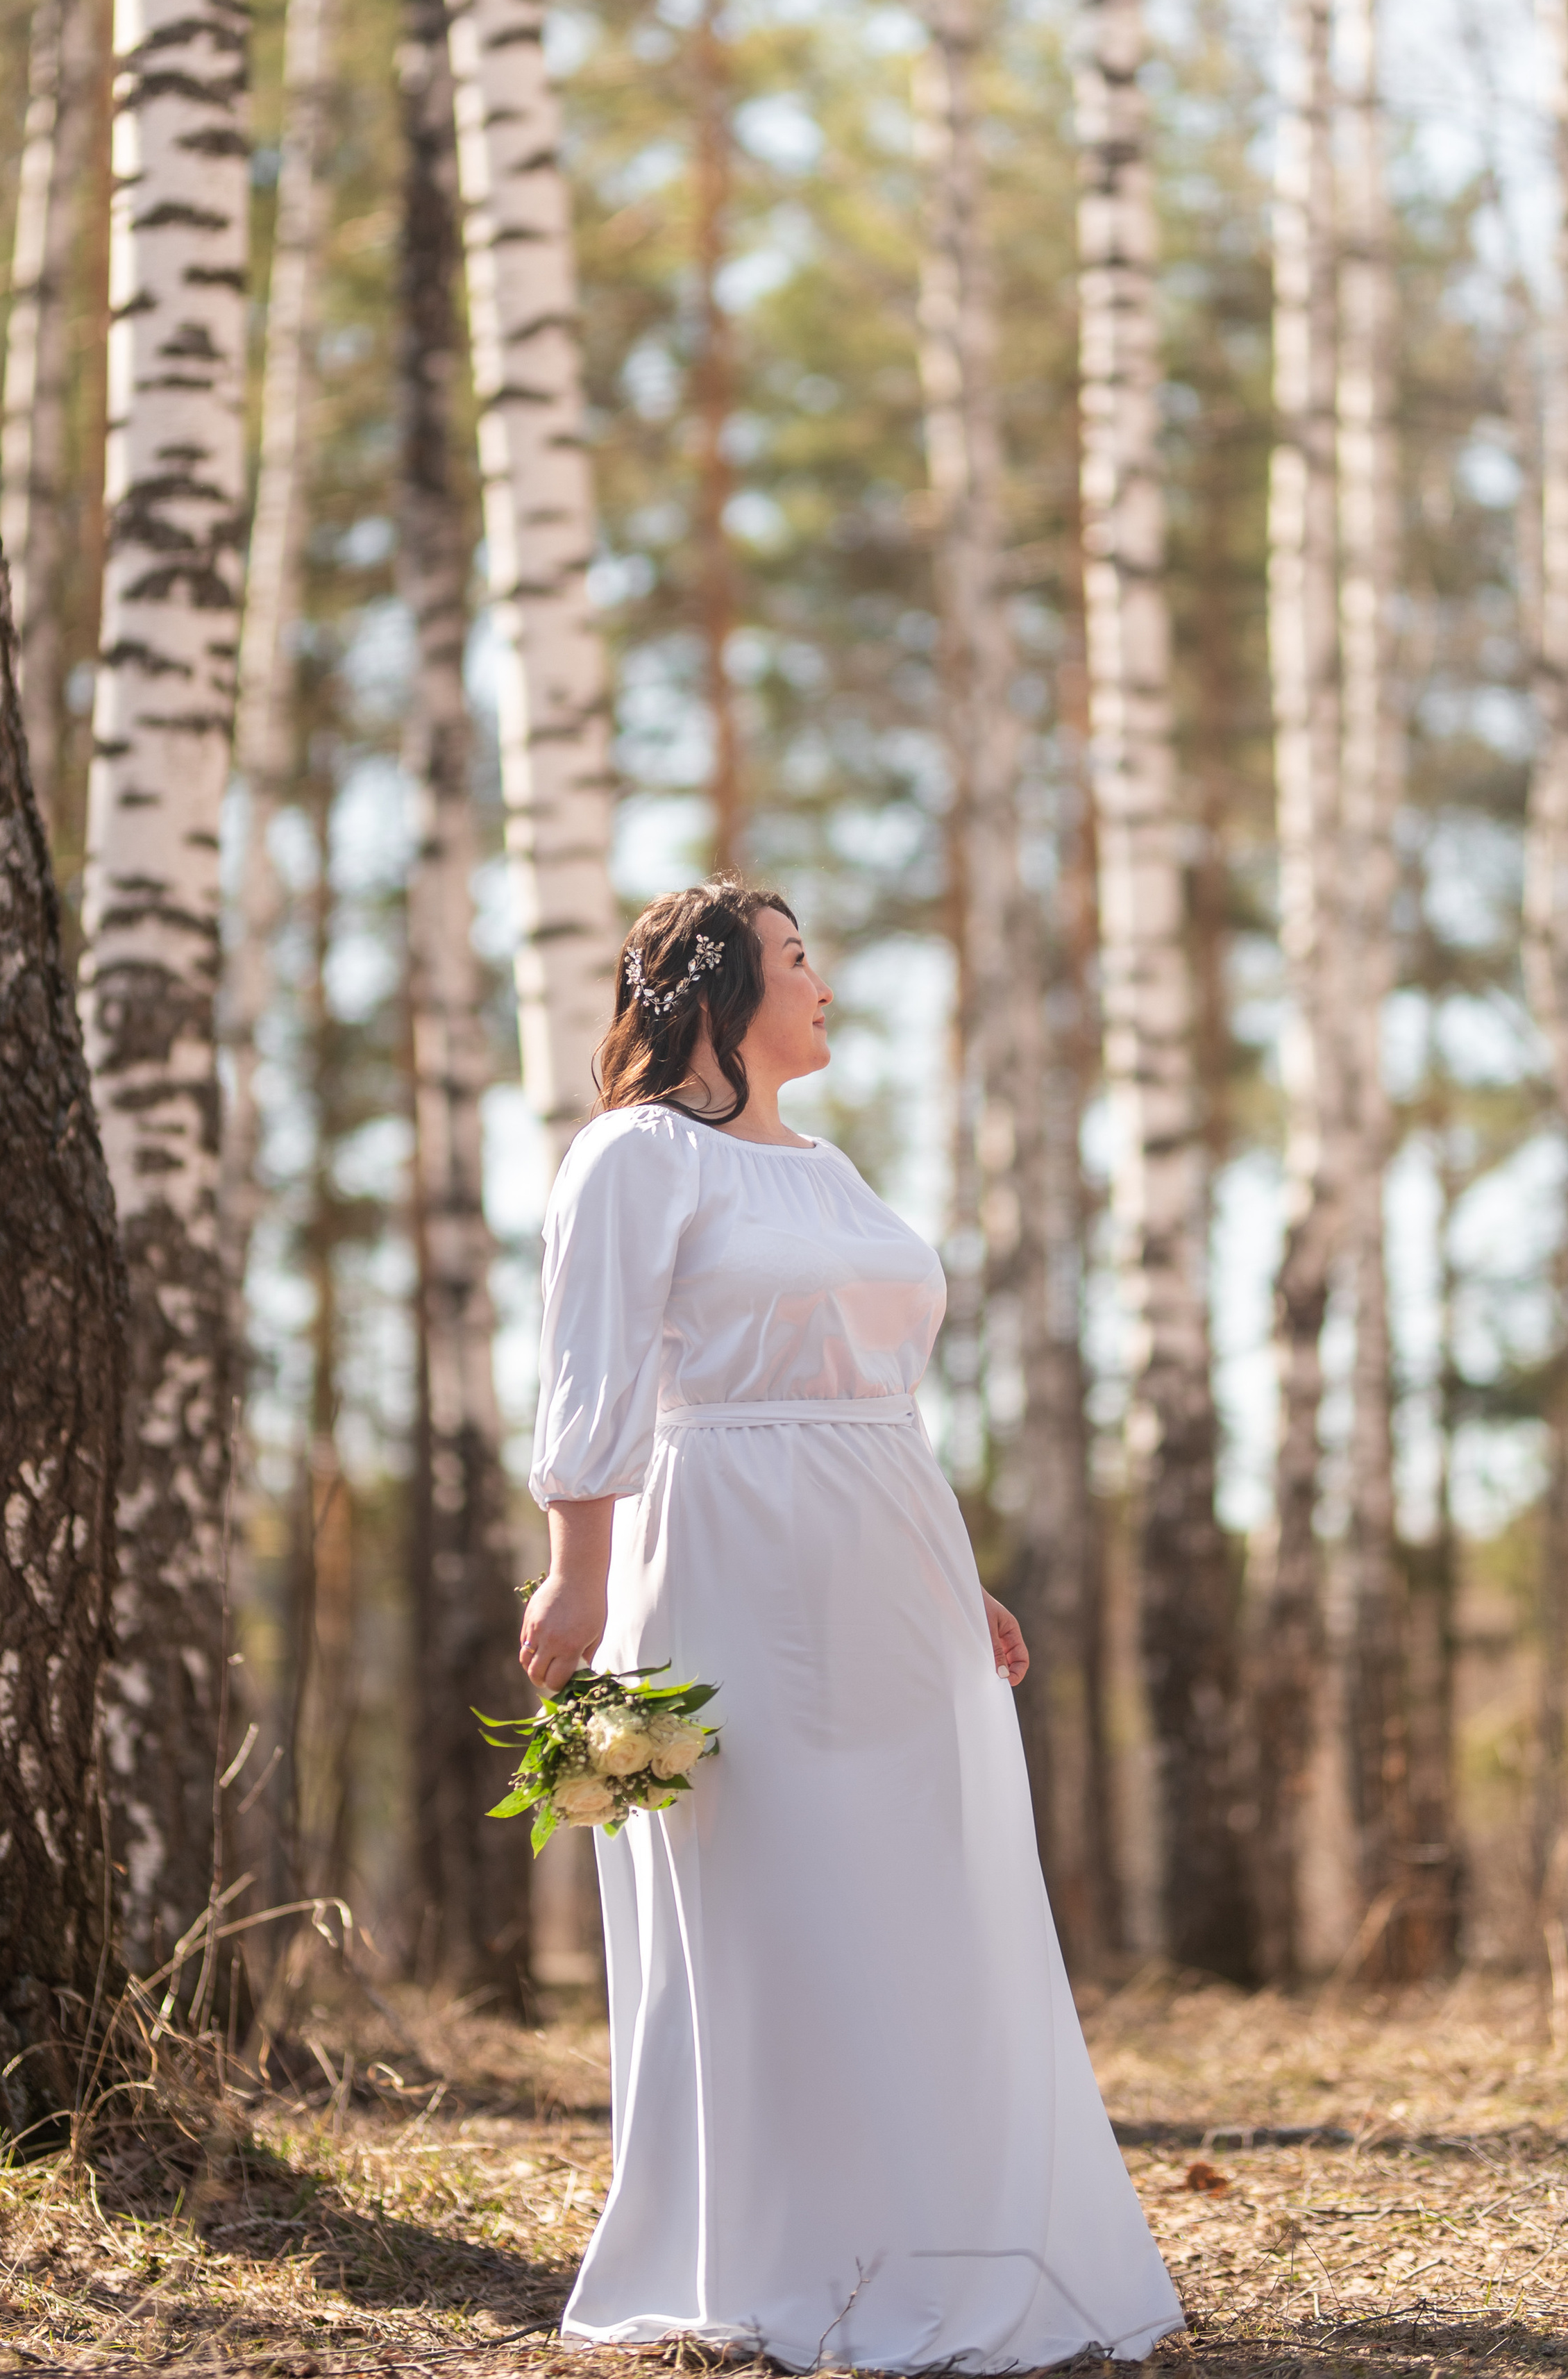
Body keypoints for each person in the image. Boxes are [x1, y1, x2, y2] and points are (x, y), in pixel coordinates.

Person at [519, 880, 1182, 2372]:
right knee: (777, 1883)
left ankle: (959, 2232)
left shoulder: (828, 1168)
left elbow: (869, 1392)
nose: (822, 985)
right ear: (718, 993)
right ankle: (786, 2255)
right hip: (727, 1549)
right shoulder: (633, 1156)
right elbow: (593, 1369)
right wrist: (574, 1569)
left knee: (928, 1879)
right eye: (796, 960)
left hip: (893, 1559)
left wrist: (958, 1574)